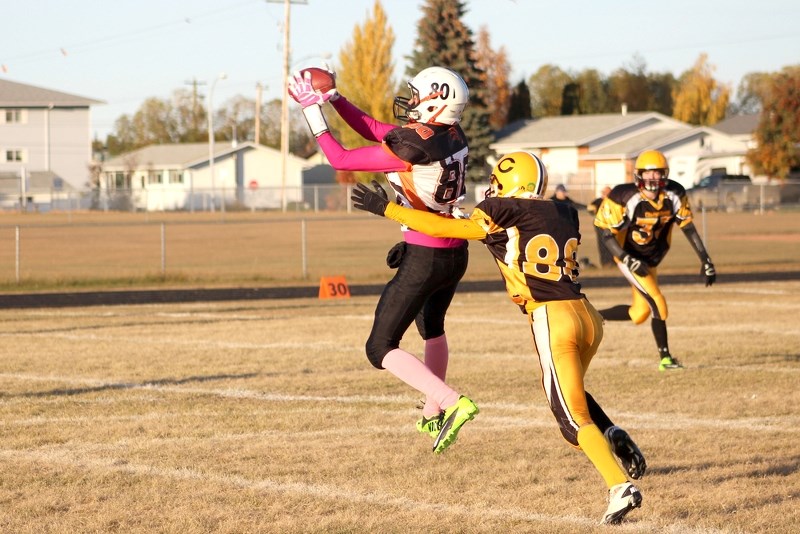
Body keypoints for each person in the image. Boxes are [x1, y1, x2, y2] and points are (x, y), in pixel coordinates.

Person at [352, 151, 646, 525]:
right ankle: (613, 433)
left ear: (510, 180)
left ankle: (619, 486)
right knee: (574, 394)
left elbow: (451, 230)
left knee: (571, 419)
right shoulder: (564, 212)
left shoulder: (502, 209)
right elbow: (484, 228)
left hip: (552, 317)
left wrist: (389, 210)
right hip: (586, 315)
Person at [287, 65, 478, 454]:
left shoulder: (417, 146)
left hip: (427, 254)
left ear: (437, 102)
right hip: (453, 249)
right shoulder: (450, 134)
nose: (410, 101)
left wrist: (311, 111)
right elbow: (380, 131)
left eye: (418, 96)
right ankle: (431, 415)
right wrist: (335, 100)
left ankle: (452, 402)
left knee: (380, 347)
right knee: (432, 329)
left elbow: (340, 159)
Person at [593, 150, 716, 371]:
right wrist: (626, 258)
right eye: (648, 174)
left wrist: (706, 260)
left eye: (657, 174)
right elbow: (606, 233)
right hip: (627, 255)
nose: (653, 179)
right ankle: (666, 359)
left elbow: (687, 226)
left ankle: (592, 314)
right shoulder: (624, 196)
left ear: (665, 175)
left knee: (638, 314)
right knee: (658, 303)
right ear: (639, 176)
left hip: (650, 258)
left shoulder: (674, 193)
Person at [586, 186, 615, 268]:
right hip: (600, 225)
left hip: (612, 225)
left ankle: (614, 262)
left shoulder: (614, 201)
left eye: (607, 193)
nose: (605, 194)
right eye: (604, 193)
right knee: (603, 243)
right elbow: (590, 209)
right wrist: (593, 209)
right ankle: (606, 262)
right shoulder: (599, 201)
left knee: (613, 243)